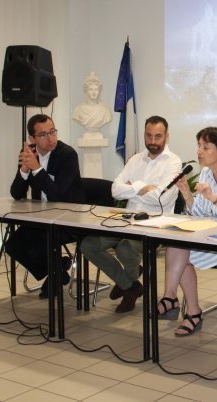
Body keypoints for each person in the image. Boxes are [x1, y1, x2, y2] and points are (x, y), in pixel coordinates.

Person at [80, 116, 182, 313]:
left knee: (125, 250)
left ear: (167, 136)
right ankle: (130, 285)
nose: (152, 141)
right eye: (149, 136)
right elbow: (115, 190)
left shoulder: (173, 162)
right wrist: (143, 187)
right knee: (88, 245)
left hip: (155, 224)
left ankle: (128, 281)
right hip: (126, 219)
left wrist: (132, 187)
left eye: (158, 136)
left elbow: (160, 198)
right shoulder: (135, 160)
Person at [156, 127, 217, 337]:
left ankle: (182, 306)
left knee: (180, 252)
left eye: (205, 147)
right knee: (177, 243)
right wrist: (186, 193)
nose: (199, 151)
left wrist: (213, 196)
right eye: (199, 146)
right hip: (209, 235)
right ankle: (177, 301)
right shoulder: (206, 173)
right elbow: (198, 213)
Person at [6, 114, 84, 298]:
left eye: (53, 132)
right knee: (13, 246)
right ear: (32, 139)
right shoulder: (29, 152)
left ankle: (56, 272)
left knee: (37, 248)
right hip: (40, 217)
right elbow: (16, 194)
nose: (50, 138)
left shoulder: (67, 155)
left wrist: (37, 169)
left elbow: (58, 196)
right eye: (43, 135)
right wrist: (24, 171)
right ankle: (58, 271)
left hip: (67, 218)